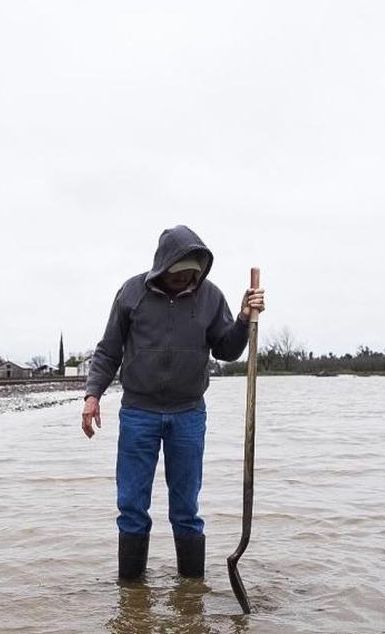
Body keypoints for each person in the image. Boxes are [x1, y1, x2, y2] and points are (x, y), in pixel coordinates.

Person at [81, 225, 265, 580]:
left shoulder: (210, 297)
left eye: (193, 276)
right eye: (180, 275)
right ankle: (131, 591)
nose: (187, 282)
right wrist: (93, 395)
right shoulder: (131, 293)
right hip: (138, 412)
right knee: (132, 506)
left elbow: (227, 349)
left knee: (186, 510)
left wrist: (243, 318)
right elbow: (108, 350)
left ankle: (191, 594)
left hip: (188, 414)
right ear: (163, 267)